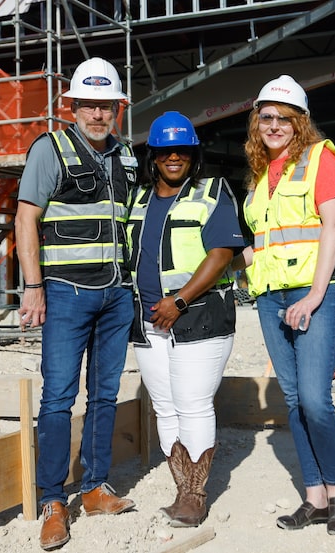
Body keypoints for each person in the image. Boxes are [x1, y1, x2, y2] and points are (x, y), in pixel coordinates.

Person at [15, 57, 140, 551]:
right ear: (72, 106)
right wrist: (33, 286)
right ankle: (52, 500)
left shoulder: (126, 157)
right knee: (58, 399)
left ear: (117, 108)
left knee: (105, 396)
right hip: (66, 295)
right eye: (87, 104)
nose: (96, 113)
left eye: (105, 104)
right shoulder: (51, 149)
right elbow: (27, 219)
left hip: (115, 296)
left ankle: (92, 487)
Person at [235, 75, 335, 535]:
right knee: (292, 399)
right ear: (256, 122)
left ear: (299, 121)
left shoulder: (319, 158)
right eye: (265, 116)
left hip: (316, 291)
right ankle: (315, 497)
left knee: (314, 398)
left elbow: (334, 224)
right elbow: (260, 247)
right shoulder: (260, 178)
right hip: (270, 296)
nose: (273, 124)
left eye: (283, 117)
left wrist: (315, 295)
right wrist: (222, 257)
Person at [127, 111, 245, 527]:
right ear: (153, 155)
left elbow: (222, 253)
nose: (173, 157)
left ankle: (195, 495)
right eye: (164, 151)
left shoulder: (213, 192)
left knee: (193, 404)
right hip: (148, 320)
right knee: (164, 406)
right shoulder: (138, 200)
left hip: (199, 316)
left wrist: (178, 300)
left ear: (194, 155)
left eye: (182, 150)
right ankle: (180, 487)